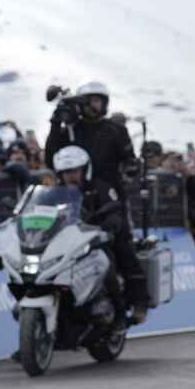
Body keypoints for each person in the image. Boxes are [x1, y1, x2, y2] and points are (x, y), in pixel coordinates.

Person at [44, 81, 146, 322]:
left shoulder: (115, 129)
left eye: (99, 100)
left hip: (108, 195)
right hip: (72, 195)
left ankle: (138, 301)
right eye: (91, 100)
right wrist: (55, 122)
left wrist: (132, 166)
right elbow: (51, 157)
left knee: (121, 244)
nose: (95, 105)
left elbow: (129, 160)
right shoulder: (71, 128)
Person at [51, 145, 145, 323]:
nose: (70, 175)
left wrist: (110, 223)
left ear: (84, 170)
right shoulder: (53, 194)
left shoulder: (100, 188)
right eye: (66, 172)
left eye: (74, 171)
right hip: (62, 245)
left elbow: (114, 210)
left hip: (92, 242)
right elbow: (37, 212)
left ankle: (119, 318)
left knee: (106, 264)